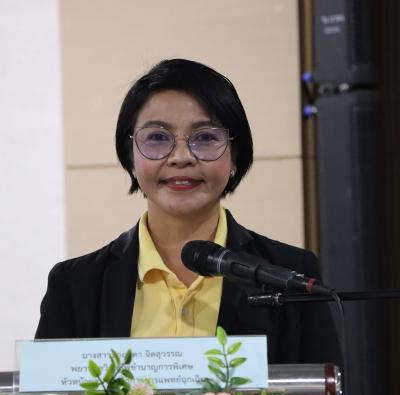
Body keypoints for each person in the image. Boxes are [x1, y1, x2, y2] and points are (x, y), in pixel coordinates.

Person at [35, 58, 341, 366]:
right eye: (157, 138)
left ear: (235, 156)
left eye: (205, 137)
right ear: (130, 157)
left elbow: (322, 383)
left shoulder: (288, 273)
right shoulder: (75, 285)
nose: (181, 157)